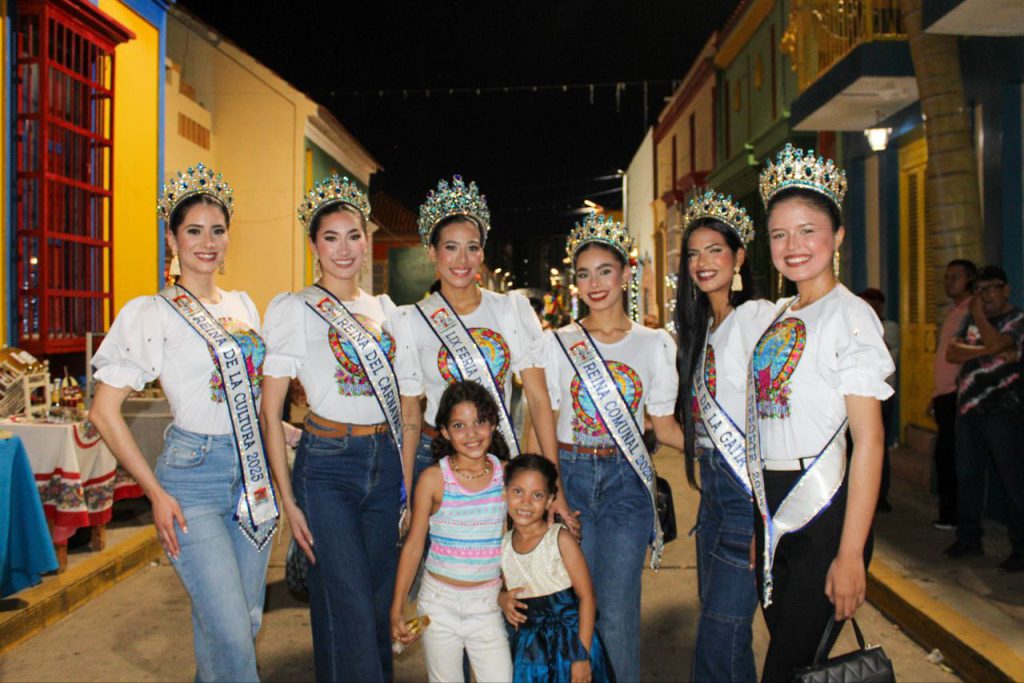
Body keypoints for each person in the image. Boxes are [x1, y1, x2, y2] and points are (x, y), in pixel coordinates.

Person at [89, 164, 277, 682]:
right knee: (234, 633)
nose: (207, 241)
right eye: (193, 230)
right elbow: (103, 411)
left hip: (252, 479)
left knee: (237, 623)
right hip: (190, 481)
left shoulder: (242, 305)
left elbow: (253, 401)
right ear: (171, 238)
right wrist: (154, 491)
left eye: (217, 230)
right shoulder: (152, 313)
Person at [749, 144, 893, 681]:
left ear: (837, 237)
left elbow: (870, 442)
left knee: (786, 666)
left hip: (824, 513)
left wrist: (851, 552)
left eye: (808, 230)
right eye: (780, 234)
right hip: (773, 509)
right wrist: (758, 524)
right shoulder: (782, 312)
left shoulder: (850, 316)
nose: (794, 245)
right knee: (797, 661)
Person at [258, 175, 403, 681]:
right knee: (351, 607)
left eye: (354, 236)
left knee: (377, 605)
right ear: (314, 246)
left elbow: (407, 402)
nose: (344, 249)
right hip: (326, 468)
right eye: (331, 237)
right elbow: (269, 411)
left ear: (368, 241)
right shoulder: (293, 309)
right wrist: (287, 499)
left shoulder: (386, 311)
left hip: (385, 465)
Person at [388, 175, 576, 532]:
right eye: (451, 247)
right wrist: (406, 489)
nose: (462, 259)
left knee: (493, 569)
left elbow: (538, 400)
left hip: (497, 459)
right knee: (439, 568)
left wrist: (555, 487)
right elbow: (411, 410)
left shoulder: (510, 310)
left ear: (483, 253)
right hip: (435, 459)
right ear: (432, 252)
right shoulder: (411, 320)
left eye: (472, 247)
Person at [543, 212, 684, 683]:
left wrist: (720, 457)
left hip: (626, 483)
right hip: (572, 475)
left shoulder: (654, 344)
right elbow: (542, 425)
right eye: (584, 274)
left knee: (618, 610)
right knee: (572, 604)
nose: (594, 283)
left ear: (626, 274)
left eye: (605, 270)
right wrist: (547, 490)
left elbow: (662, 426)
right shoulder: (557, 344)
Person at [675, 190, 773, 682]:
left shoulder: (757, 318)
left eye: (715, 249)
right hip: (711, 498)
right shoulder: (703, 330)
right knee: (724, 635)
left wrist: (765, 515)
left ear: (739, 257)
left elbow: (775, 419)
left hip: (744, 499)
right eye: (693, 253)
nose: (702, 262)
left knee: (721, 631)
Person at [390, 381, 513, 682]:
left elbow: (514, 541)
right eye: (459, 425)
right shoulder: (434, 479)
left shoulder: (507, 475)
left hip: (487, 605)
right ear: (444, 430)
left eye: (480, 422)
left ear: (494, 423)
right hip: (437, 605)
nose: (471, 434)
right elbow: (414, 545)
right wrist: (397, 607)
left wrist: (509, 593)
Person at [500, 454, 612, 683]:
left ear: (550, 500)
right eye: (517, 492)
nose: (526, 502)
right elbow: (500, 589)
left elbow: (587, 597)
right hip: (530, 652)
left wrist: (582, 656)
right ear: (504, 493)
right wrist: (501, 599)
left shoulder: (560, 540)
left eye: (537, 495)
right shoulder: (503, 546)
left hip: (570, 645)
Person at [944, 265, 1024, 572]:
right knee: (968, 478)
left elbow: (998, 344)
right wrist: (985, 349)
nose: (986, 296)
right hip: (968, 411)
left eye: (992, 288)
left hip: (1004, 411)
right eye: (980, 290)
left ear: (1006, 290)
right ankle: (969, 539)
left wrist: (980, 329)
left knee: (1013, 482)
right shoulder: (969, 321)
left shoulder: (1017, 320)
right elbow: (952, 351)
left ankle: (1020, 548)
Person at [931, 259, 977, 530]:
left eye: (955, 277)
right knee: (945, 456)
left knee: (953, 456)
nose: (949, 282)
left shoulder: (972, 310)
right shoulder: (953, 311)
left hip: (958, 394)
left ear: (970, 279)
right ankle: (949, 514)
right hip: (943, 394)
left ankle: (956, 517)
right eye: (946, 277)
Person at [857, 287, 900, 512]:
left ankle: (879, 496)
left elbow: (878, 356)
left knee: (875, 445)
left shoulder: (889, 328)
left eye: (873, 305)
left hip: (881, 396)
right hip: (857, 395)